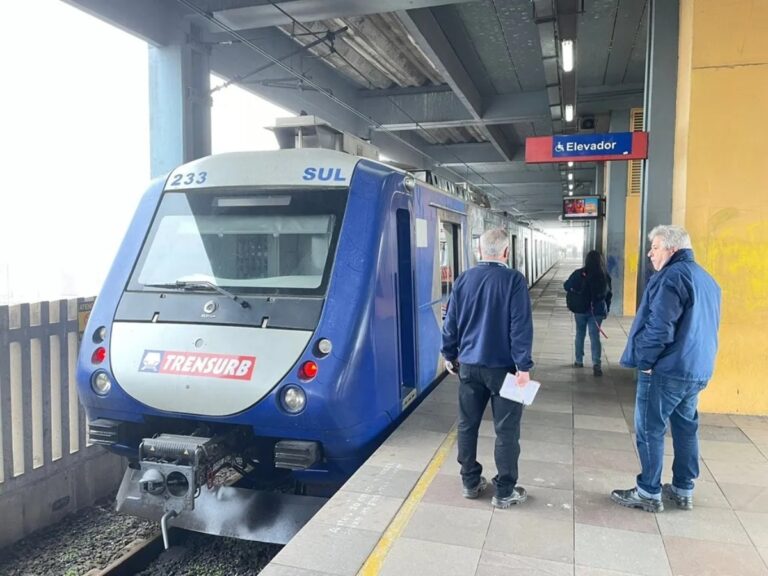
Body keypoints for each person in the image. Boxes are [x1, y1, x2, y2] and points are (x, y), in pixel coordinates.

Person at [611, 225, 721, 513]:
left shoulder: (670, 277)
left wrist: (645, 364)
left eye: (655, 247)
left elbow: (660, 328)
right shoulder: (707, 279)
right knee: (686, 429)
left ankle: (648, 491)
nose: (650, 253)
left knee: (649, 429)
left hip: (667, 369)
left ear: (672, 249)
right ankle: (684, 489)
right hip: (696, 369)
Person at [441, 228, 534, 509]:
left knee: (467, 425)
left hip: (469, 367)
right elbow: (520, 327)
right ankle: (504, 490)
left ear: (478, 252)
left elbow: (451, 322)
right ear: (506, 252)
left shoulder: (464, 279)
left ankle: (470, 482)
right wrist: (524, 366)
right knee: (507, 430)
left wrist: (449, 353)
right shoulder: (514, 280)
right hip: (505, 369)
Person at [564, 250, 612, 376]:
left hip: (580, 310)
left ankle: (578, 360)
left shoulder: (578, 274)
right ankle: (596, 363)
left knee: (580, 333)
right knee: (594, 336)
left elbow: (566, 286)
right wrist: (607, 309)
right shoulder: (604, 276)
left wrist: (575, 289)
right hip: (597, 311)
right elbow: (608, 294)